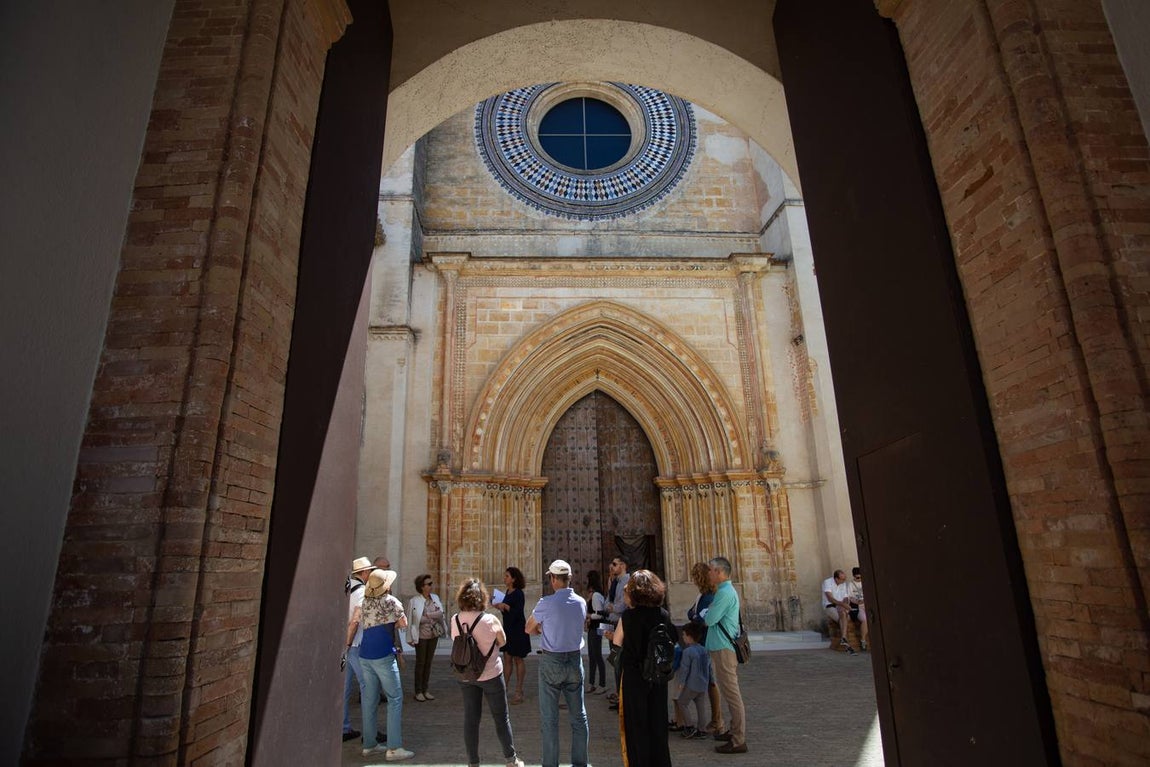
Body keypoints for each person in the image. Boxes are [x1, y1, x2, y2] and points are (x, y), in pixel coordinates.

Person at [451, 577, 526, 767]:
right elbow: (503, 643)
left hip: (466, 675)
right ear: (481, 598)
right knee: (501, 718)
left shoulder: (455, 619)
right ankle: (511, 759)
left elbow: (456, 642)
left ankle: (473, 762)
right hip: (491, 673)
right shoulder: (490, 619)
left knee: (471, 719)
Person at [606, 569, 675, 767]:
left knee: (636, 725)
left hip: (635, 677)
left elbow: (618, 642)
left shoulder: (628, 617)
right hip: (657, 676)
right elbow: (673, 639)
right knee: (658, 722)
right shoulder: (663, 614)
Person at [525, 559, 589, 767]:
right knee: (579, 718)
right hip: (574, 660)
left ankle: (550, 764)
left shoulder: (546, 603)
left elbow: (529, 628)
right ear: (569, 579)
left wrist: (542, 630)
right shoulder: (581, 602)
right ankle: (580, 763)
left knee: (550, 720)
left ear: (553, 579)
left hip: (552, 661)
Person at [356, 568, 415, 761]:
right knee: (395, 698)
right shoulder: (390, 601)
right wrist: (391, 623)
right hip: (383, 654)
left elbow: (357, 622)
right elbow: (403, 623)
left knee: (369, 699)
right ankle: (394, 747)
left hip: (365, 653)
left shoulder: (363, 602)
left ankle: (369, 744)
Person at [704, 556, 748, 754]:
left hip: (723, 649)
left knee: (732, 694)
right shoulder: (724, 591)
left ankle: (738, 740)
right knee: (729, 692)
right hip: (720, 647)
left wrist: (707, 613)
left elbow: (710, 619)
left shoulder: (724, 593)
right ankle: (733, 731)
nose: (709, 573)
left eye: (711, 570)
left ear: (720, 572)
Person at [686, 560, 723, 735]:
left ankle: (717, 720)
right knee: (708, 681)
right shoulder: (702, 596)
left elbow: (701, 619)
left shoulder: (709, 597)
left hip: (706, 643)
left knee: (711, 682)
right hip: (702, 643)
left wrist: (695, 616)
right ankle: (712, 720)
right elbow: (691, 613)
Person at [342, 556, 375, 742]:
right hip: (355, 643)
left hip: (345, 644)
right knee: (368, 687)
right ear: (364, 573)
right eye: (369, 571)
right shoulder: (362, 591)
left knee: (344, 687)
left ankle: (344, 728)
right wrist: (348, 643)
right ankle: (370, 733)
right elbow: (356, 619)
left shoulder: (345, 587)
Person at [408, 573, 448, 701]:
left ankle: (425, 689)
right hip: (421, 636)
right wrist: (431, 616)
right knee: (421, 662)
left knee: (428, 663)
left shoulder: (435, 597)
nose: (431, 586)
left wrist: (428, 615)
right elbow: (415, 619)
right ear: (422, 587)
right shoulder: (415, 600)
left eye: (431, 584)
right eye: (429, 584)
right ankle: (418, 691)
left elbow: (441, 613)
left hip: (433, 634)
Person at [493, 566, 530, 704]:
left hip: (518, 630)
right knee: (507, 659)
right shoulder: (507, 592)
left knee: (518, 659)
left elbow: (517, 612)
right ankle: (504, 689)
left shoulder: (518, 593)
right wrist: (500, 607)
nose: (505, 578)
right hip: (508, 629)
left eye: (507, 576)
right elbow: (507, 613)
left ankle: (519, 691)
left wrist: (506, 607)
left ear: (514, 579)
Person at [673, 621, 714, 739]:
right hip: (703, 683)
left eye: (684, 635)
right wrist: (712, 680)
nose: (683, 637)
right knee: (700, 706)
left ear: (690, 637)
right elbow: (709, 666)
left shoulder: (687, 652)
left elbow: (685, 669)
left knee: (682, 702)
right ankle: (702, 729)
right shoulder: (704, 650)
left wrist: (681, 683)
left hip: (692, 684)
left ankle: (689, 726)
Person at [604, 556, 630, 707]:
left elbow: (622, 606)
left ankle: (623, 695)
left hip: (619, 624)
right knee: (614, 658)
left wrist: (613, 606)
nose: (611, 567)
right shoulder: (614, 583)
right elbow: (607, 602)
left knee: (620, 659)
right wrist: (612, 606)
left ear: (623, 565)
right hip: (610, 622)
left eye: (614, 564)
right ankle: (618, 691)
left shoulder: (627, 581)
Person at [583, 569, 608, 694]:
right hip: (593, 628)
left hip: (597, 628)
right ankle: (591, 683)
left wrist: (588, 616)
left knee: (597, 656)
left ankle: (602, 684)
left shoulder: (596, 596)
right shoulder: (594, 595)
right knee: (592, 656)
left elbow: (599, 615)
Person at [822, 569, 856, 655]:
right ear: (836, 579)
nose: (844, 581)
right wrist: (843, 605)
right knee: (843, 618)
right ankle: (845, 642)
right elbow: (830, 598)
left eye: (844, 579)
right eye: (842, 579)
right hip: (829, 606)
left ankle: (844, 640)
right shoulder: (828, 582)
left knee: (843, 614)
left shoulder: (843, 584)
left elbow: (845, 597)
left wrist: (843, 605)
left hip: (840, 605)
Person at [848, 566, 869, 651]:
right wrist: (857, 602)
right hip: (858, 606)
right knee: (864, 619)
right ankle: (863, 640)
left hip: (866, 604)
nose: (859, 578)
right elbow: (850, 597)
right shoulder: (850, 585)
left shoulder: (866, 582)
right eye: (857, 577)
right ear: (854, 576)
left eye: (861, 577)